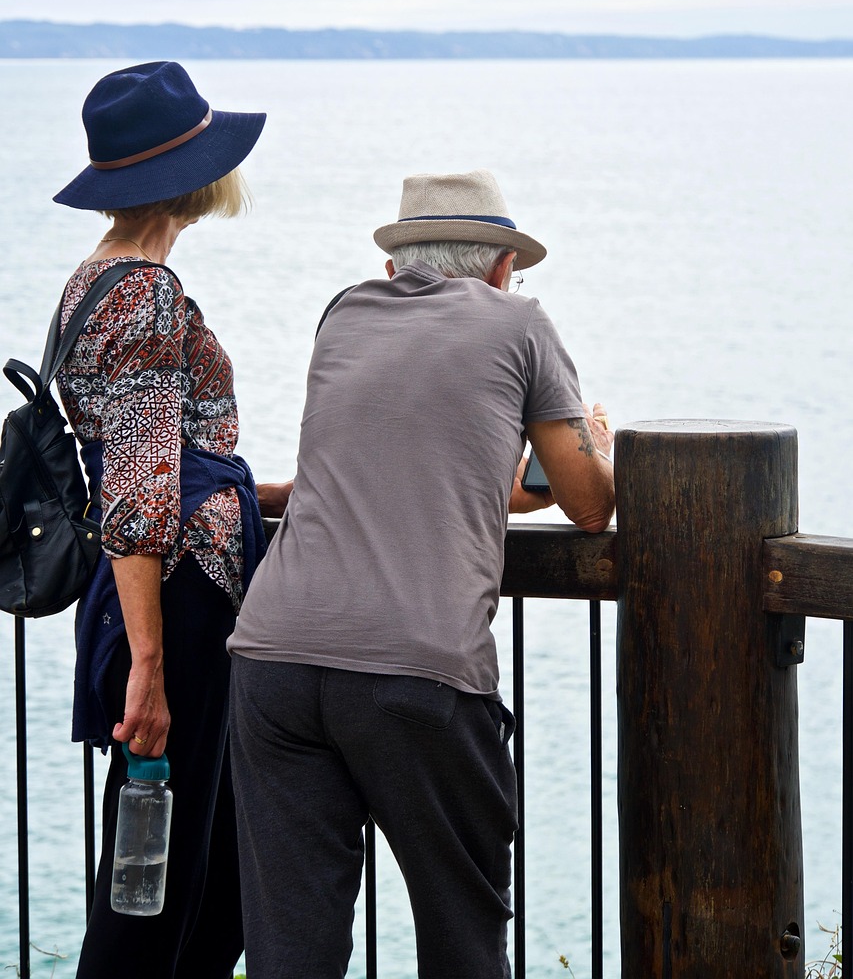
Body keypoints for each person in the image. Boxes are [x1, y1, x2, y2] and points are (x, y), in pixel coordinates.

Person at [228, 168, 615, 979]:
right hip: (417, 673)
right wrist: (598, 445)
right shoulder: (521, 322)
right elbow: (588, 505)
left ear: (396, 265)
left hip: (274, 661)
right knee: (462, 932)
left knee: (290, 945)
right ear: (502, 266)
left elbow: (410, 465)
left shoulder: (345, 312)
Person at [52, 60, 268, 979]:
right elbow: (139, 500)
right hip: (174, 604)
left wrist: (270, 494)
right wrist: (149, 667)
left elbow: (157, 466)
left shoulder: (89, 281)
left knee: (203, 867)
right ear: (188, 176)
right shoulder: (144, 295)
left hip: (159, 591)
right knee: (162, 876)